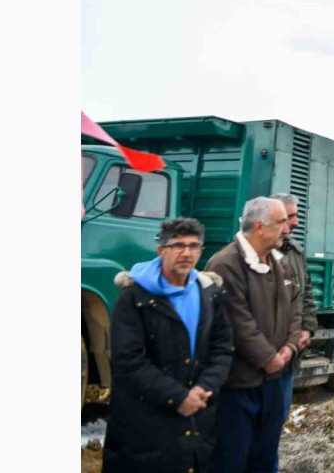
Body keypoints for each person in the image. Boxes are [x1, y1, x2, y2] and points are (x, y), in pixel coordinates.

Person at [103, 218, 233, 473]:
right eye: (178, 245)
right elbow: (127, 359)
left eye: (194, 246)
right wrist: (177, 396)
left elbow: (223, 346)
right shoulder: (135, 296)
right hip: (145, 425)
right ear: (161, 250)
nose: (186, 253)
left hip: (197, 417)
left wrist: (206, 386)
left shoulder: (210, 294)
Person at [207, 197, 303, 473]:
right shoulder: (225, 264)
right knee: (232, 458)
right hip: (238, 385)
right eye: (281, 221)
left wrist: (290, 346)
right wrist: (268, 357)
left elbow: (294, 306)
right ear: (260, 227)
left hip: (273, 380)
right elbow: (237, 321)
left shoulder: (279, 262)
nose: (287, 227)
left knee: (264, 455)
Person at [271, 194, 318, 423]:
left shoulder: (295, 253)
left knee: (277, 420)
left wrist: (307, 328)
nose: (296, 222)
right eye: (290, 216)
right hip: (264, 359)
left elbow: (306, 295)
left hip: (289, 357)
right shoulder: (247, 257)